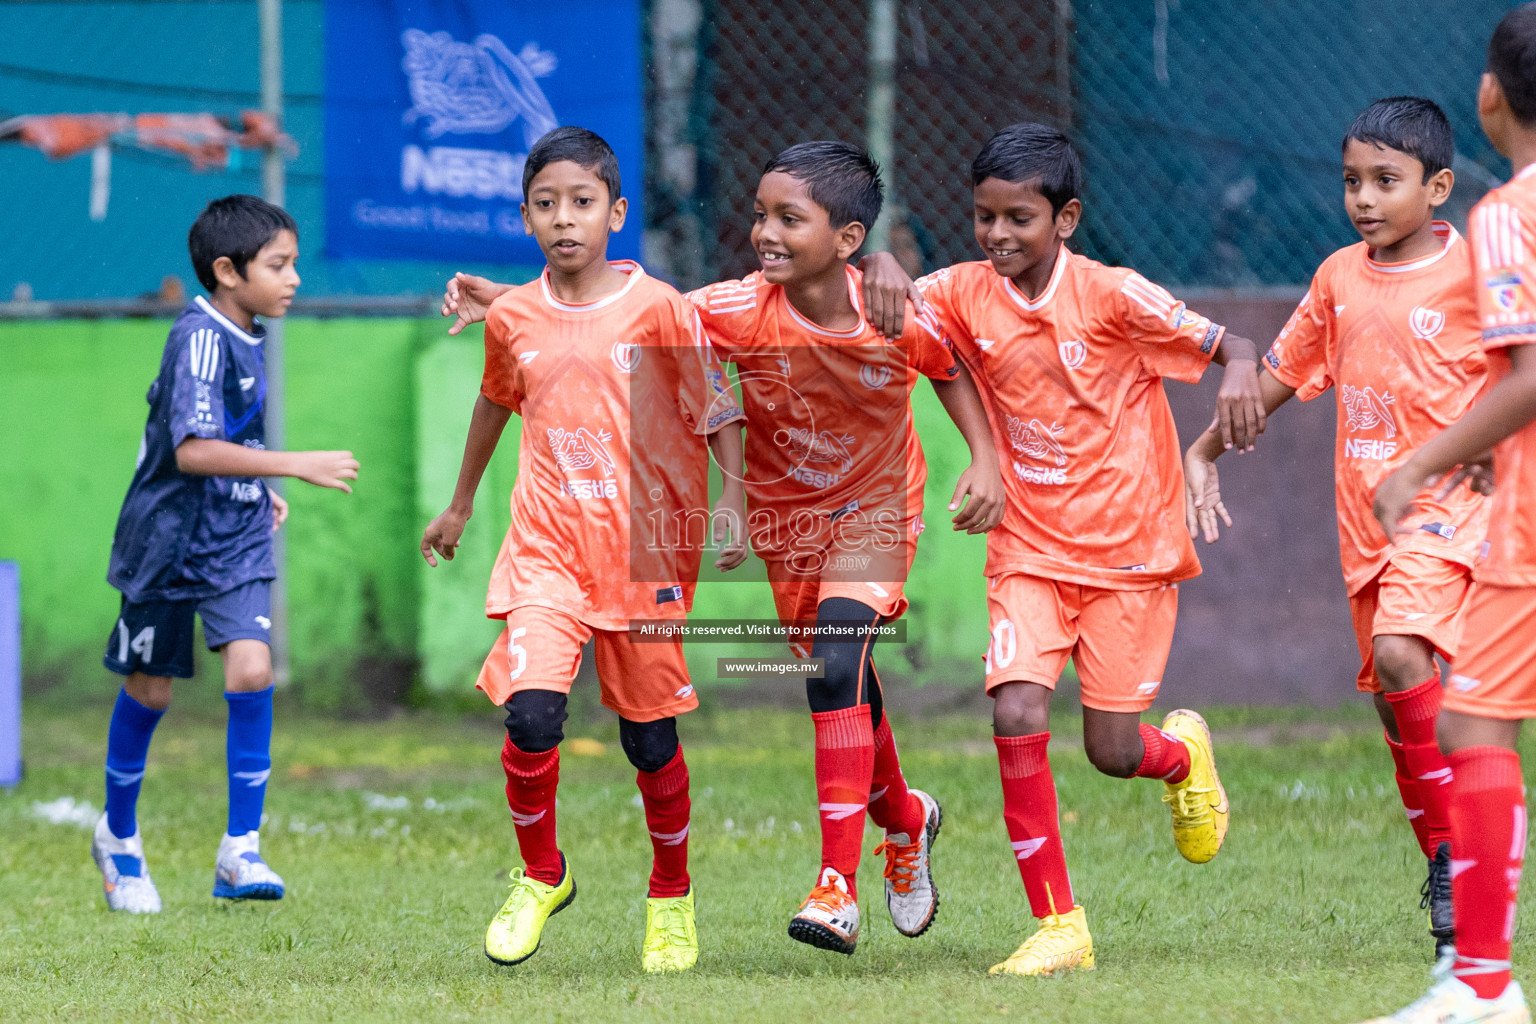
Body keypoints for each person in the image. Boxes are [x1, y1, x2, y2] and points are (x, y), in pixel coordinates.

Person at [439, 140, 1004, 957]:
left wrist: (984, 459)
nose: (763, 233)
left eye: (786, 219)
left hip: (876, 509)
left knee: (833, 666)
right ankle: (907, 819)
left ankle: (835, 887)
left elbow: (947, 367)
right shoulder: (733, 308)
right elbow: (614, 310)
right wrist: (508, 300)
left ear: (843, 239)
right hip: (786, 523)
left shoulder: (893, 308)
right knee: (843, 675)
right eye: (759, 216)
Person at [875, 121, 1264, 975]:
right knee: (1014, 710)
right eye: (984, 217)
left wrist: (1238, 369)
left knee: (1112, 752)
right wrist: (881, 261)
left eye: (1019, 218)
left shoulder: (1117, 296)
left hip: (1128, 553)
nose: (998, 235)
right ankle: (1060, 926)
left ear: (1067, 218)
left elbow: (1227, 344)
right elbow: (897, 304)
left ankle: (1181, 755)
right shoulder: (964, 291)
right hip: (1027, 549)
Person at [419, 126, 746, 974]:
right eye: (546, 204)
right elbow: (496, 402)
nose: (565, 219)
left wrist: (737, 501)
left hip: (643, 560)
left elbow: (718, 406)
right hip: (547, 554)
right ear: (525, 218)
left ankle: (670, 896)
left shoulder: (659, 308)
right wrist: (458, 506)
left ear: (616, 212)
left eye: (583, 202)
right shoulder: (514, 316)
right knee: (531, 716)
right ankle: (542, 874)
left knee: (649, 744)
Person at [1184, 97, 1488, 960]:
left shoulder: (1474, 276)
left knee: (1402, 654)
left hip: (1450, 515)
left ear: (1438, 187)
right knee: (1399, 715)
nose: (1363, 198)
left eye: (1386, 182)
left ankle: (1462, 857)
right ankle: (1445, 858)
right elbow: (1280, 376)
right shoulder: (1337, 278)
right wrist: (1203, 448)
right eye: (1352, 181)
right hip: (1367, 531)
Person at [92, 194, 359, 913]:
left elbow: (230, 444)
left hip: (234, 534)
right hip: (168, 540)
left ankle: (241, 848)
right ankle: (118, 838)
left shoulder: (251, 332)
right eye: (279, 265)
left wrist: (255, 481)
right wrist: (292, 465)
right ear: (228, 272)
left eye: (294, 262)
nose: (294, 277)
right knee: (151, 689)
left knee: (251, 666)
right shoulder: (201, 336)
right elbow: (190, 451)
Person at [1361, 6, 1536, 1021]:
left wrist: (1428, 459)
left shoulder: (1510, 212)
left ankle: (1480, 988)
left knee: (1477, 724)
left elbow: (1526, 377)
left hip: (1525, 514)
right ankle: (1478, 983)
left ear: (1487, 97)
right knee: (1473, 714)